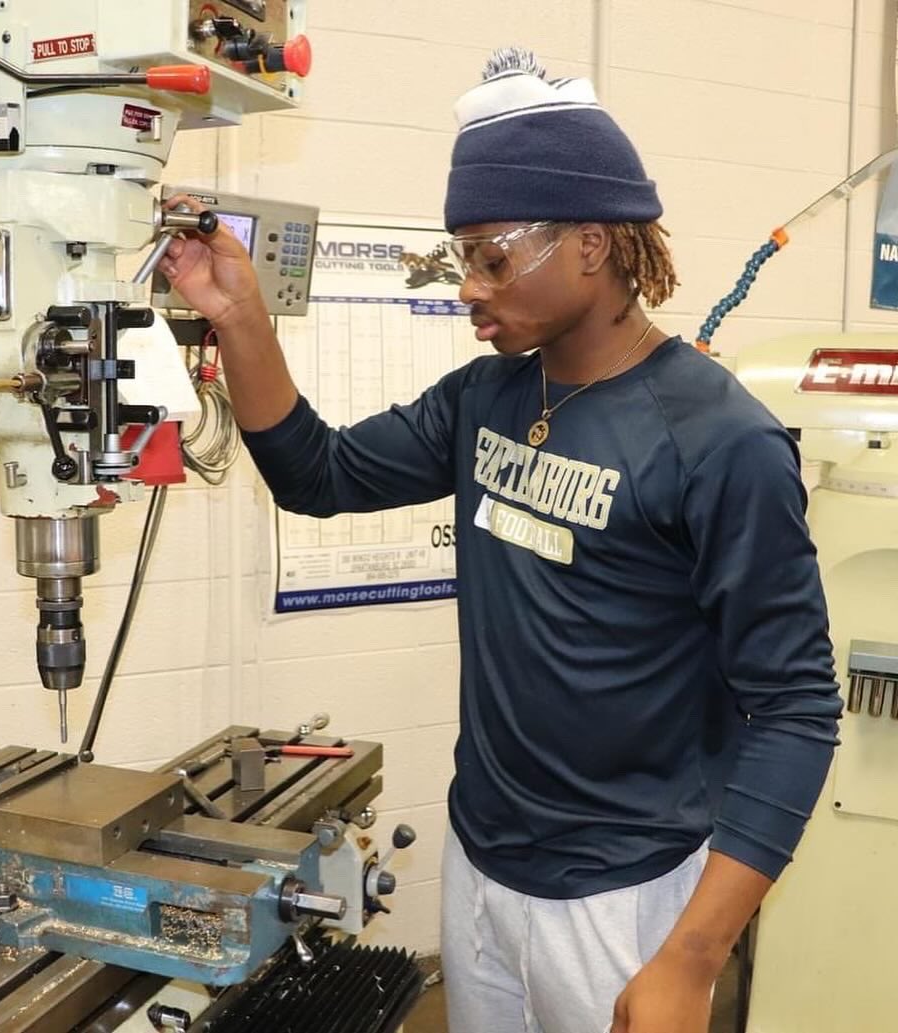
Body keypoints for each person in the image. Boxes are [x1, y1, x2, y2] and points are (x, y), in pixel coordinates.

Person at [158, 46, 842, 1033]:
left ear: (593, 245)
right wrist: (240, 316)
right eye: (459, 258)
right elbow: (318, 474)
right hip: (482, 869)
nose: (468, 287)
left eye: (490, 257)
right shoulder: (486, 399)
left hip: (629, 895)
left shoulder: (719, 441)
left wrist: (692, 958)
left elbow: (797, 711)